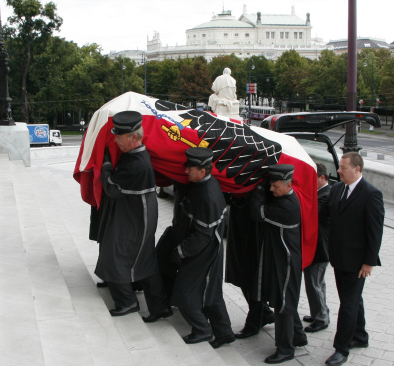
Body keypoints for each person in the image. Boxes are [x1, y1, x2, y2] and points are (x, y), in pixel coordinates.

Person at [95, 111, 168, 319]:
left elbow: (111, 187)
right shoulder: (135, 155)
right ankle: (159, 307)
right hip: (135, 212)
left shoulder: (137, 164)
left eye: (119, 137)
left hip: (137, 215)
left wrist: (106, 165)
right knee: (142, 257)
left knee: (117, 252)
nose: (115, 140)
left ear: (133, 138)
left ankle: (127, 302)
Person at [169, 147, 235, 348]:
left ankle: (203, 330)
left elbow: (202, 234)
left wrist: (181, 251)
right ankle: (225, 333)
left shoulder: (207, 194)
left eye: (191, 167)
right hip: (205, 247)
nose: (186, 170)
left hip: (205, 250)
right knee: (212, 293)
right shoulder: (202, 185)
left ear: (203, 171)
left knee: (185, 291)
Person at [325, 152, 384, 366]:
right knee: (353, 299)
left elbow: (375, 232)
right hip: (339, 257)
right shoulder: (338, 189)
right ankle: (360, 335)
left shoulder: (371, 194)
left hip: (358, 261)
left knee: (348, 304)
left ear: (357, 169)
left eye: (343, 167)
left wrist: (369, 262)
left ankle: (341, 348)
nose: (339, 171)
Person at [249, 164, 308, 364]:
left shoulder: (287, 206)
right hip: (280, 258)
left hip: (287, 261)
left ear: (288, 184)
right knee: (286, 299)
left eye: (275, 186)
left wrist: (258, 188)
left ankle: (285, 349)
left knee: (283, 303)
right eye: (270, 186)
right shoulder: (284, 198)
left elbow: (257, 212)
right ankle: (298, 336)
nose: (272, 190)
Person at [225, 193, 276, 340]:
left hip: (254, 230)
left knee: (252, 277)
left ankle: (255, 322)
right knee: (243, 275)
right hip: (241, 220)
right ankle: (264, 313)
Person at [303, 163, 330, 333]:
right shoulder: (321, 193)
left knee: (314, 283)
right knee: (317, 282)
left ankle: (321, 318)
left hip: (320, 248)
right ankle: (319, 312)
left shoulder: (326, 195)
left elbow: (313, 213)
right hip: (317, 246)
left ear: (322, 178)